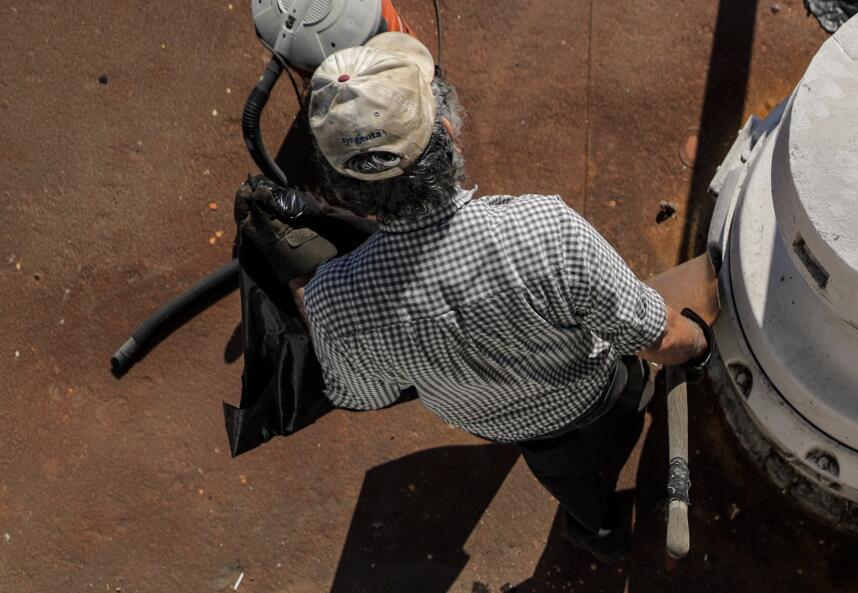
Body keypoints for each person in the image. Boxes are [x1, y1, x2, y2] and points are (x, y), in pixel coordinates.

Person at [235, 32, 710, 561]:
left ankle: (600, 534)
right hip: (590, 386)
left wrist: (316, 288)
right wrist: (699, 344)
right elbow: (658, 334)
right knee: (629, 387)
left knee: (561, 468)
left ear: (340, 188)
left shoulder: (331, 301)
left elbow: (364, 394)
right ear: (447, 133)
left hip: (498, 420)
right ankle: (634, 402)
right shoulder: (544, 231)